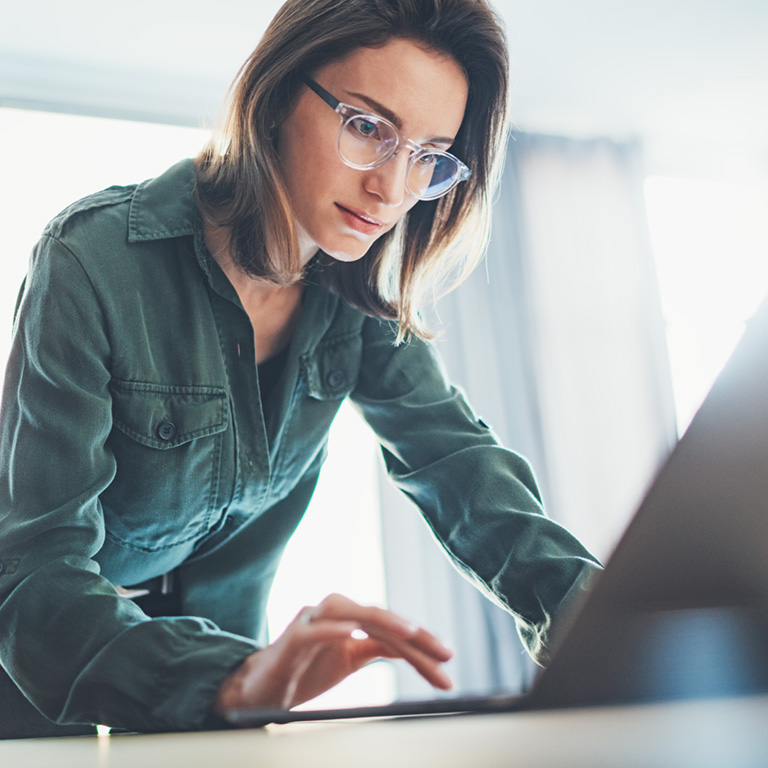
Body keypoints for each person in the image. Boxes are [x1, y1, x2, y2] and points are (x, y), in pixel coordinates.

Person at [0, 0, 601, 739]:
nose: (391, 189)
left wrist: (609, 628)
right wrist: (230, 679)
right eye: (367, 128)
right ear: (279, 95)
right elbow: (33, 567)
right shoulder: (91, 262)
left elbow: (463, 471)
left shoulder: (357, 307)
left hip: (222, 699)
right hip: (37, 688)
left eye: (427, 156)